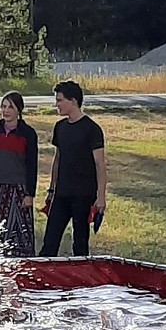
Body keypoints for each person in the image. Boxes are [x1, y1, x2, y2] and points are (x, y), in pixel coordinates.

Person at [38, 80, 107, 257]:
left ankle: (81, 278)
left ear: (73, 101)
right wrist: (52, 189)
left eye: (60, 100)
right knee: (50, 241)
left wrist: (101, 197)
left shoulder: (91, 129)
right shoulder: (60, 127)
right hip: (61, 193)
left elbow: (100, 164)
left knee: (80, 241)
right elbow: (58, 159)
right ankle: (43, 278)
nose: (57, 104)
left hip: (83, 194)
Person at [0, 91, 39, 257]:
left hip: (18, 189)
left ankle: (22, 260)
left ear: (18, 110)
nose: (6, 111)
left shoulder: (27, 134)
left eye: (10, 107)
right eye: (3, 107)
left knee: (19, 229)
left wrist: (30, 193)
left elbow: (32, 165)